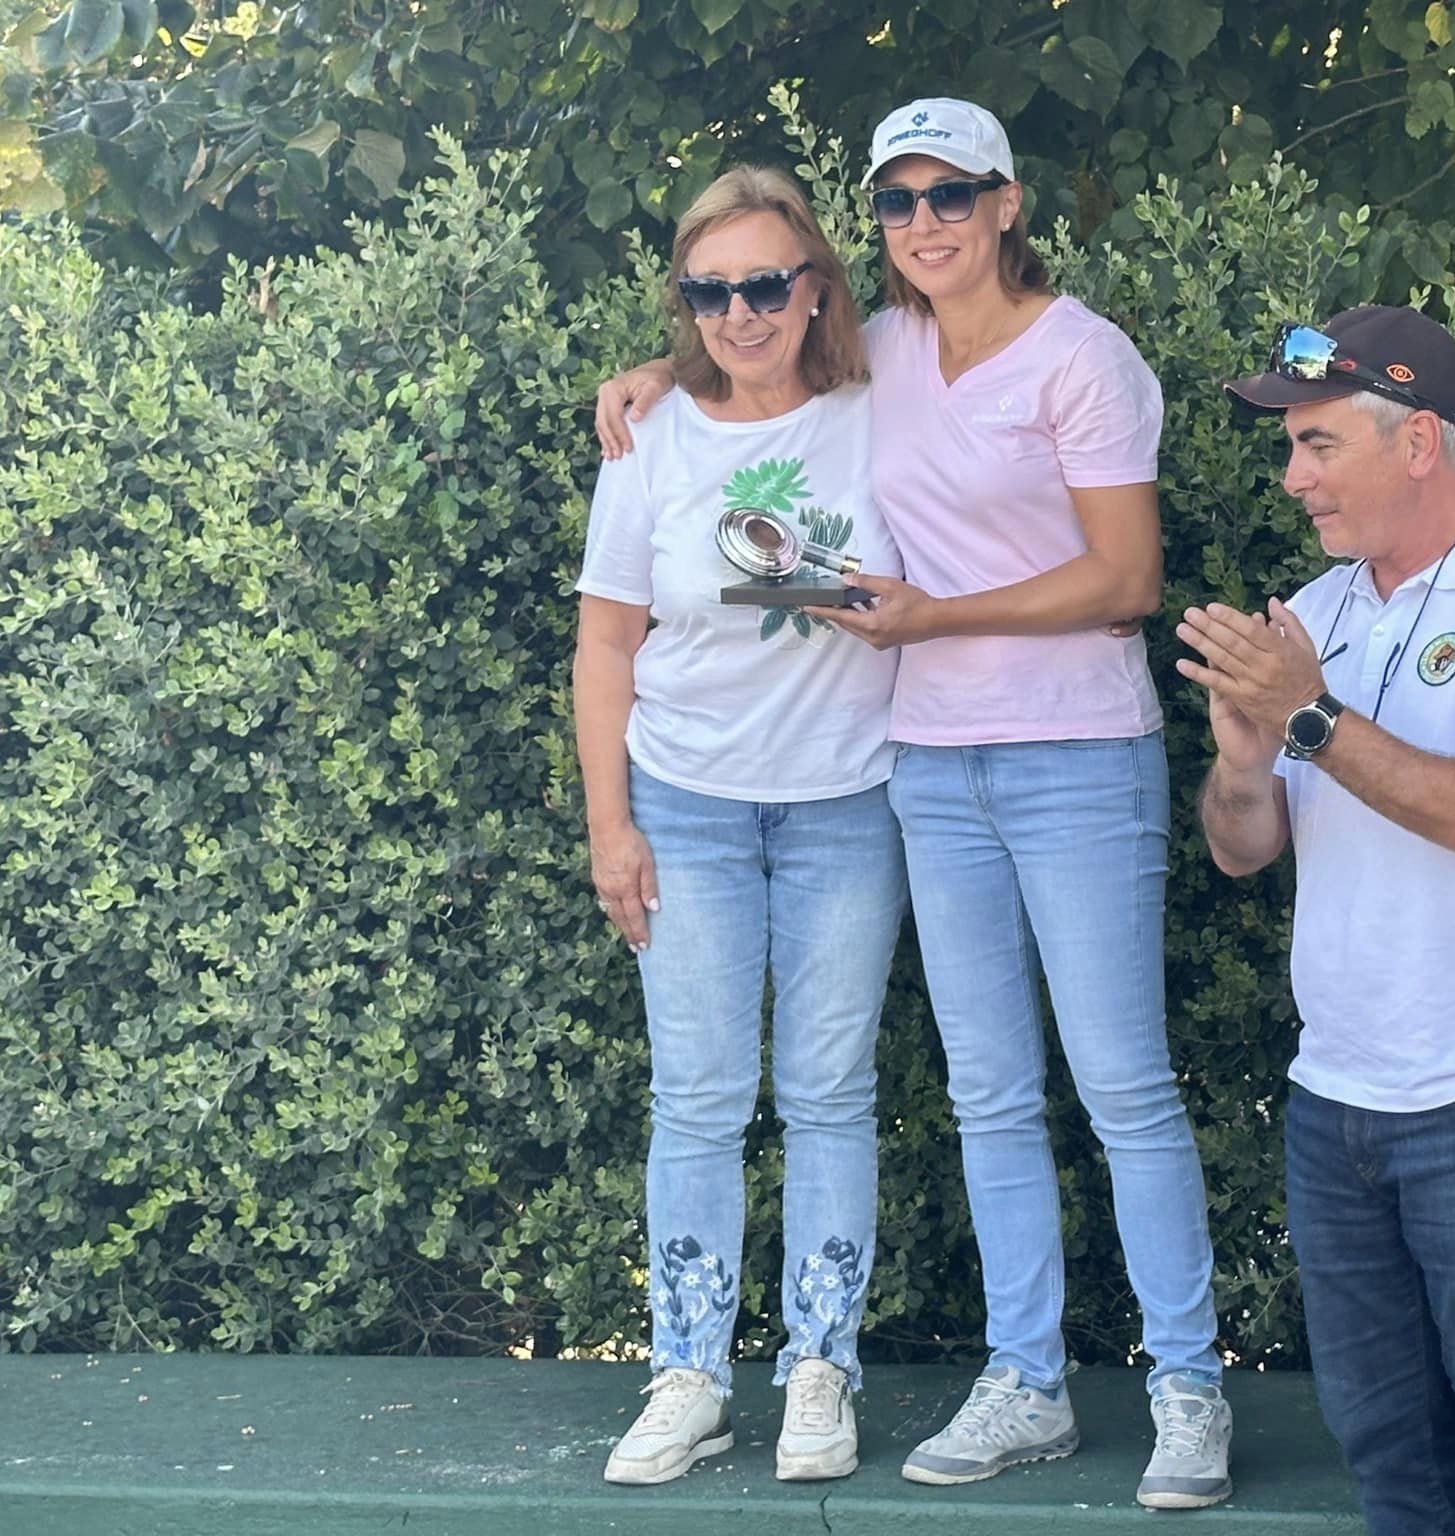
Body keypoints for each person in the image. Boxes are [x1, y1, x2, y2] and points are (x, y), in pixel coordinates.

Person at [596, 98, 1233, 1510]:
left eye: (953, 194)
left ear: (1008, 204)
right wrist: (647, 375)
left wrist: (937, 616)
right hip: (930, 766)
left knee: (1123, 1088)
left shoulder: (1083, 356)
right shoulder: (881, 350)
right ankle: (1028, 1382)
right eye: (898, 200)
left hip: (1074, 754)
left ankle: (1189, 1387)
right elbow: (748, 344)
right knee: (988, 1094)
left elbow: (1128, 578)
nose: (925, 221)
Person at [1176, 305, 1455, 1534]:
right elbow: (1241, 850)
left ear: (1417, 441)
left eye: (1316, 444)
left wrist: (1307, 717)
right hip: (1333, 1103)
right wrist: (1240, 761)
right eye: (1292, 447)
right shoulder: (1315, 615)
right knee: (1388, 1459)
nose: (1292, 479)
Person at [572, 164, 907, 1489]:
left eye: (765, 283)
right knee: (699, 1099)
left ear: (815, 285)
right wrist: (610, 823)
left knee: (830, 1094)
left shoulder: (885, 406)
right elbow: (606, 644)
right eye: (709, 293)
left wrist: (810, 576)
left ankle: (821, 1369)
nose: (741, 314)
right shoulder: (650, 436)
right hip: (687, 803)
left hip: (848, 803)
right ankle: (690, 1376)